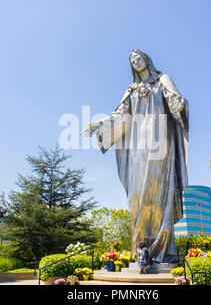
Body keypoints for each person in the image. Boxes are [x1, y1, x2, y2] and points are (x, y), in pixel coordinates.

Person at [81, 49, 189, 263]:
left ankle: (165, 250)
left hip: (160, 143)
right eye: (133, 61)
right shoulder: (131, 90)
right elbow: (120, 116)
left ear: (147, 59)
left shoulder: (162, 80)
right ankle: (140, 249)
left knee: (159, 192)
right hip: (138, 147)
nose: (137, 62)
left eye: (139, 58)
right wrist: (98, 124)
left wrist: (180, 104)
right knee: (137, 195)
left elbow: (176, 101)